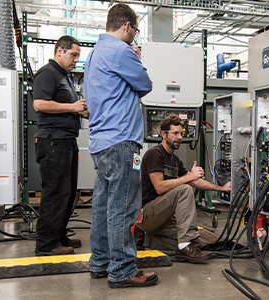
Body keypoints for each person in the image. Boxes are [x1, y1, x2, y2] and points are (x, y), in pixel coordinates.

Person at [84, 3, 158, 288]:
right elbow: (145, 83)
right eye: (135, 31)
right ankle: (124, 270)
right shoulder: (122, 51)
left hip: (100, 142)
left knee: (103, 206)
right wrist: (137, 57)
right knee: (123, 208)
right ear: (126, 25)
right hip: (122, 142)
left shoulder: (94, 55)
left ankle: (100, 263)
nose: (134, 37)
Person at [137, 114, 232, 263]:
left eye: (181, 133)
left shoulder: (175, 160)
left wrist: (222, 188)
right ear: (163, 134)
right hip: (148, 213)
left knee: (195, 241)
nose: (180, 137)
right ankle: (183, 248)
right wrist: (188, 178)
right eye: (175, 133)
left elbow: (196, 182)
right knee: (185, 190)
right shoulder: (154, 154)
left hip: (162, 219)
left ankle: (152, 241)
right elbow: (159, 187)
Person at [33, 35, 87, 256]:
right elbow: (39, 103)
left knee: (67, 192)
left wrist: (82, 111)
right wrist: (73, 108)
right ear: (59, 51)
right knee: (55, 192)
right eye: (73, 55)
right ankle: (46, 244)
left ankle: (59, 235)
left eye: (78, 56)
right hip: (53, 140)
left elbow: (70, 106)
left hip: (66, 140)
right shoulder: (48, 73)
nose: (76, 60)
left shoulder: (65, 76)